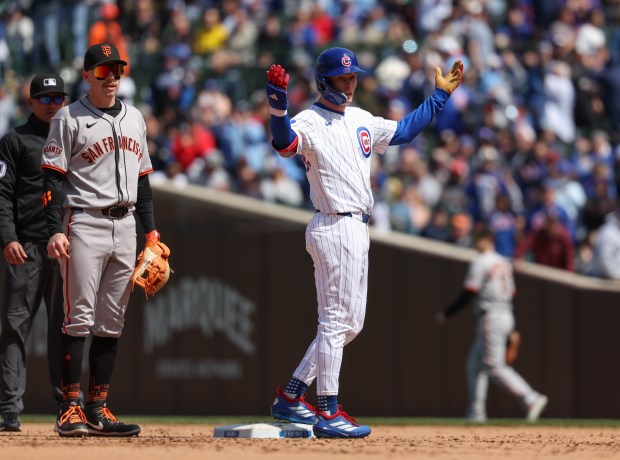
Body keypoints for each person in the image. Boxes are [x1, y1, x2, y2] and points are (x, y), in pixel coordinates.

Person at [265, 47, 463, 438]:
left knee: (349, 325)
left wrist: (439, 96)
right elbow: (285, 144)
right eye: (342, 78)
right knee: (336, 323)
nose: (350, 83)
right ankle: (327, 411)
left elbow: (403, 131)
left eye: (353, 76)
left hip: (356, 227)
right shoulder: (309, 119)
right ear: (325, 81)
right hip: (334, 222)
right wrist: (277, 109)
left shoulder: (360, 118)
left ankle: (291, 397)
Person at [41, 43, 159, 437]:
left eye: (117, 70)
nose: (111, 78)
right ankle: (69, 408)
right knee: (79, 318)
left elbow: (143, 181)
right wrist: (54, 228)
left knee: (112, 322)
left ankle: (98, 407)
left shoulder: (135, 118)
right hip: (84, 222)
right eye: (103, 71)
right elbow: (52, 179)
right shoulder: (68, 118)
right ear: (87, 75)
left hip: (125, 224)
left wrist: (151, 231)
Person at [0, 74, 69, 432]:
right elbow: (2, 194)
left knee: (66, 329)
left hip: (65, 248)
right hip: (25, 246)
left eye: (58, 97)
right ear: (31, 103)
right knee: (14, 327)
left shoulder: (73, 138)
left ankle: (67, 406)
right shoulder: (14, 141)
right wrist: (7, 237)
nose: (52, 104)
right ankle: (10, 410)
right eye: (44, 98)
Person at [436, 228, 549, 423]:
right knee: (474, 365)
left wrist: (447, 313)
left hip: (491, 316)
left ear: (488, 240)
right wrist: (512, 327)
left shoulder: (481, 262)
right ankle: (476, 412)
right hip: (505, 313)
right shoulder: (503, 262)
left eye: (480, 239)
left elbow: (469, 293)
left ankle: (531, 398)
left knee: (494, 367)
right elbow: (511, 295)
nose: (476, 242)